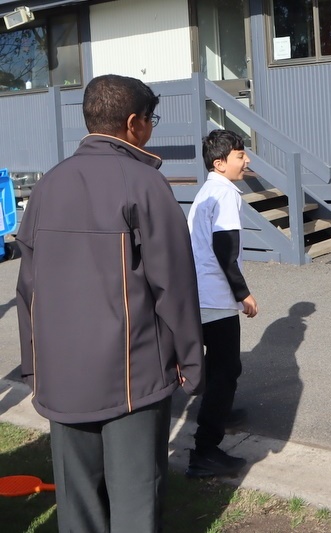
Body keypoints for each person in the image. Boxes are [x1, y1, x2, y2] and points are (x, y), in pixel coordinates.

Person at [15, 74, 205, 533]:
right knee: (136, 498)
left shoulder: (46, 187)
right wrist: (192, 359)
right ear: (134, 122)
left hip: (61, 373)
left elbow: (27, 290)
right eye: (152, 120)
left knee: (77, 505)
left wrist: (33, 366)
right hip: (130, 373)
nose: (152, 129)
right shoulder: (144, 183)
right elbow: (174, 285)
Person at [186, 129, 258, 478]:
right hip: (215, 297)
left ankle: (220, 411)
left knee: (218, 367)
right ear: (220, 162)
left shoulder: (208, 190)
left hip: (201, 294)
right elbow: (225, 250)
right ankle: (205, 451)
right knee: (226, 370)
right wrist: (243, 294)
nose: (246, 161)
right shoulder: (225, 195)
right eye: (240, 156)